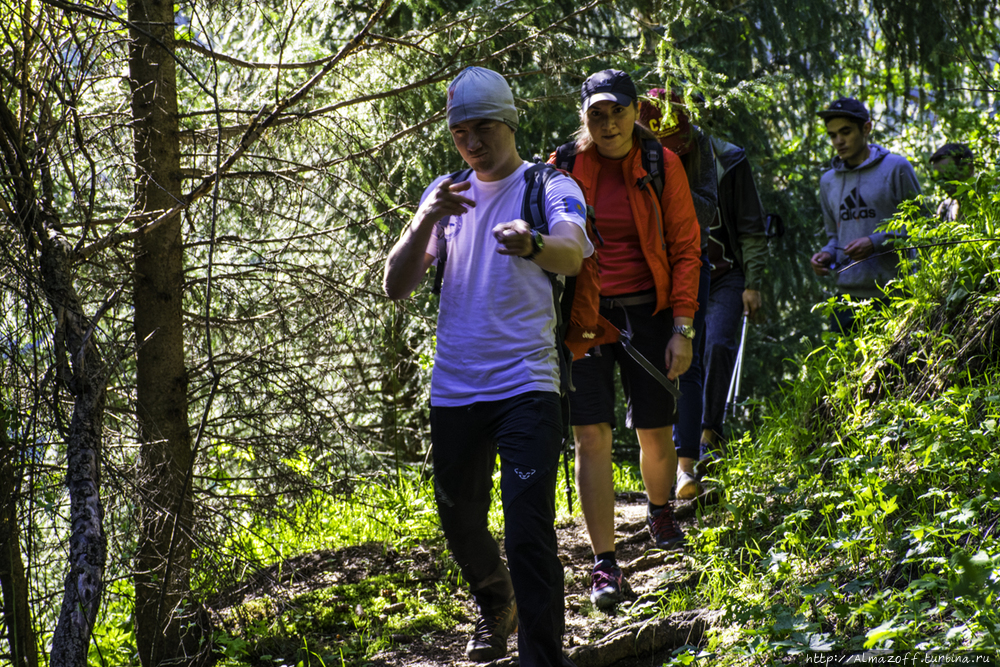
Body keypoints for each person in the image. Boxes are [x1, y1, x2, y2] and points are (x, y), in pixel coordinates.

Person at [383, 66, 592, 666]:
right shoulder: (443, 193)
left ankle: (541, 657)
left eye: (483, 129)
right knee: (462, 526)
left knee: (528, 531)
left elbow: (573, 253)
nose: (472, 143)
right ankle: (495, 602)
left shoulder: (548, 186)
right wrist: (426, 217)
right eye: (460, 133)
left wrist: (531, 243)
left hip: (527, 383)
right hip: (455, 387)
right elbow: (395, 286)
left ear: (509, 123)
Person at [551, 70, 701, 610]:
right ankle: (604, 564)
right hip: (585, 317)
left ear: (636, 111)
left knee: (655, 432)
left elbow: (686, 247)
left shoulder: (662, 163)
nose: (608, 123)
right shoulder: (563, 166)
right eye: (597, 113)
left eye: (617, 111)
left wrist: (682, 328)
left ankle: (659, 510)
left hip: (649, 314)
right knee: (590, 435)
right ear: (584, 116)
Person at [640, 91, 768, 497]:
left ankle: (709, 433)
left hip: (724, 272)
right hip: (669, 275)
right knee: (678, 361)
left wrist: (754, 281)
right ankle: (683, 450)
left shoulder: (726, 160)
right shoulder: (638, 156)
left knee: (717, 345)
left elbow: (748, 224)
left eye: (677, 147)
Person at [809, 97, 921, 333]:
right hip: (846, 299)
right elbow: (834, 237)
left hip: (895, 294)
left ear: (867, 128)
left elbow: (921, 227)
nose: (838, 141)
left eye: (846, 132)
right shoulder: (828, 181)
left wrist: (874, 243)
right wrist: (826, 255)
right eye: (832, 135)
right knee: (844, 370)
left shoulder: (896, 168)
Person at [929, 142, 975, 221]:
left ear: (969, 170)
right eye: (937, 178)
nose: (943, 184)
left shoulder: (989, 204)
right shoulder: (944, 208)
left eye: (948, 175)